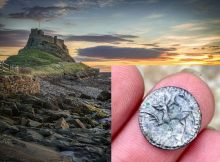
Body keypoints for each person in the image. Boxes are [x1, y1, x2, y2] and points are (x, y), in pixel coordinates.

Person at [112, 66, 220, 162]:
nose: (172, 108)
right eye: (172, 106)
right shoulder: (163, 118)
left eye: (175, 107)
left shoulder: (180, 127)